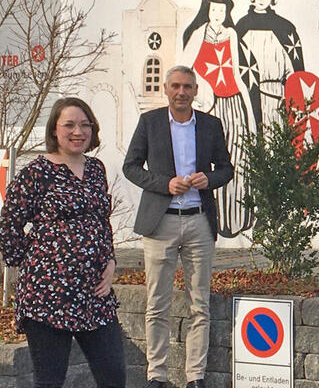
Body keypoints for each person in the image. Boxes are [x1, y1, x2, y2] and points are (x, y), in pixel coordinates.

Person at [0, 98, 125, 388]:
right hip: (48, 296)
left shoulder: (96, 169)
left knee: (113, 376)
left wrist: (109, 260)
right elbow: (9, 223)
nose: (78, 131)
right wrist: (30, 262)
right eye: (69, 125)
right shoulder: (36, 172)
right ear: (54, 130)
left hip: (94, 294)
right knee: (50, 381)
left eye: (84, 125)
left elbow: (102, 221)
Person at [123, 65, 233, 388]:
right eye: (175, 86)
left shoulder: (211, 125)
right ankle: (156, 375)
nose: (181, 92)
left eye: (187, 86)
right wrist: (164, 184)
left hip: (199, 220)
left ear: (196, 90)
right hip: (161, 222)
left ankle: (195, 376)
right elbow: (131, 166)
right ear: (166, 89)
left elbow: (226, 169)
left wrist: (208, 179)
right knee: (157, 304)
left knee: (200, 304)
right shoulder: (150, 122)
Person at [182, 0, 255, 238]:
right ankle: (216, 219)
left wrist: (247, 107)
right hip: (211, 106)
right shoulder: (198, 34)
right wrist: (202, 91)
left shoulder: (231, 34)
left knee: (237, 158)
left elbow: (235, 73)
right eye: (214, 9)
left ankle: (236, 217)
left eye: (222, 10)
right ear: (207, 10)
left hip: (233, 102)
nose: (217, 14)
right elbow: (184, 68)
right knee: (213, 161)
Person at [235, 0, 305, 128]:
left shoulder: (284, 27)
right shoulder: (242, 26)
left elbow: (295, 67)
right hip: (249, 93)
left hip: (276, 94)